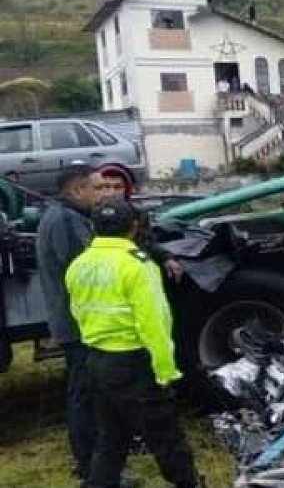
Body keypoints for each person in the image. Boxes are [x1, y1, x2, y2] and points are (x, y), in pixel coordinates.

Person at [66, 197, 202, 488]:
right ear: (134, 226)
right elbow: (154, 323)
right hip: (132, 363)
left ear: (94, 227)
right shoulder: (138, 265)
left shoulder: (79, 264)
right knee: (168, 439)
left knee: (111, 439)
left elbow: (78, 311)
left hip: (96, 360)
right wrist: (166, 372)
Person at [36, 165, 103, 480]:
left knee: (85, 393)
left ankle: (91, 462)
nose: (101, 195)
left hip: (76, 320)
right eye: (96, 188)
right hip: (78, 324)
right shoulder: (65, 221)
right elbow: (83, 272)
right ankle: (91, 468)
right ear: (78, 190)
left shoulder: (63, 216)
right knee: (84, 395)